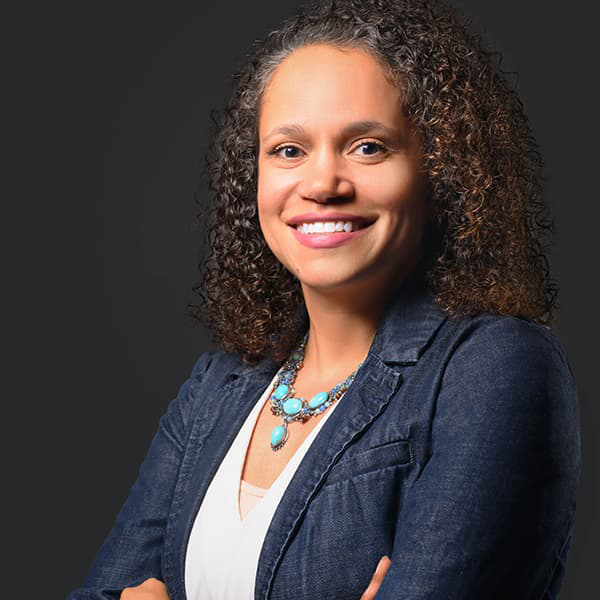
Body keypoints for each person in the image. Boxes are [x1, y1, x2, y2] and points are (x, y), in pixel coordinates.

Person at [67, 0, 581, 598]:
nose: (322, 184)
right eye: (289, 150)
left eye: (368, 146)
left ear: (441, 169)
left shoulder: (495, 368)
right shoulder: (218, 388)